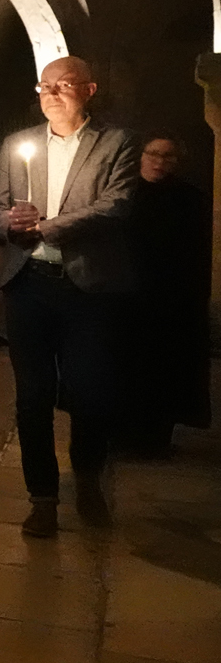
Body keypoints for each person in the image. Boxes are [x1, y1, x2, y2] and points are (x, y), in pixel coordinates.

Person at [0, 56, 138, 537]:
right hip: (29, 284)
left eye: (63, 85)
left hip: (87, 287)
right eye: (45, 86)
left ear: (89, 90)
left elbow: (115, 206)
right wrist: (8, 223)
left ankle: (88, 478)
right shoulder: (17, 145)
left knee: (89, 392)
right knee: (31, 398)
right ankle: (43, 497)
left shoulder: (115, 143)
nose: (52, 94)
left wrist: (45, 226)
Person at [117, 135, 211, 455]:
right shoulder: (124, 194)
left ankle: (154, 439)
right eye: (153, 154)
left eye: (168, 156)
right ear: (141, 156)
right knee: (125, 367)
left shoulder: (189, 198)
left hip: (169, 298)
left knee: (162, 369)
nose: (159, 161)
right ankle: (121, 436)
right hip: (127, 294)